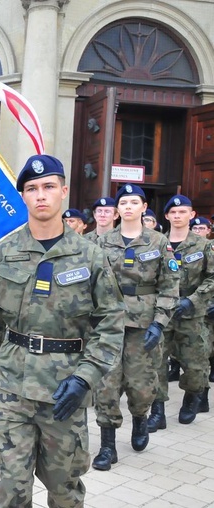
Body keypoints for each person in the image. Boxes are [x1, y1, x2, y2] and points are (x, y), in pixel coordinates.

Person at [0, 154, 125, 507]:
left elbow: (111, 324)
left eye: (49, 187)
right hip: (12, 387)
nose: (40, 195)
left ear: (63, 192)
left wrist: (85, 377)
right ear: (23, 196)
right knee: (12, 488)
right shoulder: (2, 255)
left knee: (64, 489)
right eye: (32, 188)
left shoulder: (90, 256)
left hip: (65, 388)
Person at [92, 184, 179, 471]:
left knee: (141, 386)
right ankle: (107, 445)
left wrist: (160, 322)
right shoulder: (102, 243)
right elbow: (90, 283)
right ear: (117, 210)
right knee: (106, 385)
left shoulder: (158, 242)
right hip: (109, 323)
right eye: (124, 202)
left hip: (144, 326)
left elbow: (169, 286)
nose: (128, 206)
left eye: (134, 202)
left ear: (144, 208)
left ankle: (140, 419)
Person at [147, 195, 214, 431]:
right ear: (166, 216)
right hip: (161, 314)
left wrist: (193, 300)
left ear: (191, 215)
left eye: (182, 212)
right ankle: (157, 411)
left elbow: (212, 277)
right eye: (173, 213)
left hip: (191, 315)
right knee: (156, 364)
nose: (177, 216)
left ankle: (192, 397)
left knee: (195, 366)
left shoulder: (204, 245)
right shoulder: (155, 243)